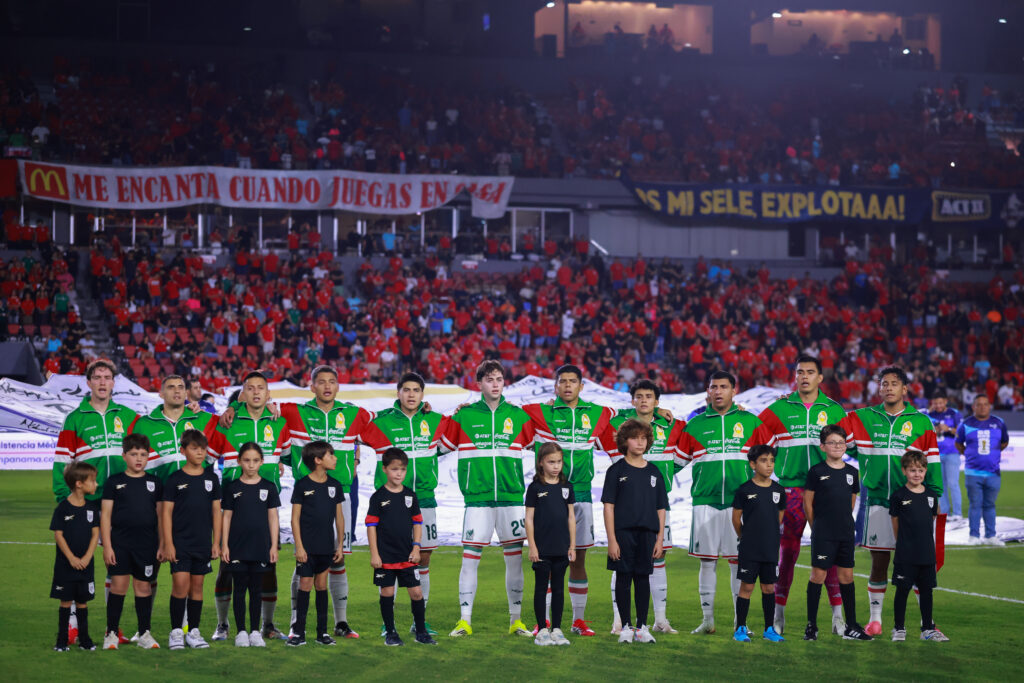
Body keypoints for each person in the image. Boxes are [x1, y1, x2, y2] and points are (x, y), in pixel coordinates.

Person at [839, 366, 941, 637]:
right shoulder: (861, 418)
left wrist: (934, 495)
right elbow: (832, 434)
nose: (888, 387)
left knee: (919, 564)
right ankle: (876, 620)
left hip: (914, 502)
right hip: (877, 502)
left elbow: (932, 461)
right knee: (879, 561)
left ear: (904, 389)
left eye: (894, 383)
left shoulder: (921, 422)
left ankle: (926, 622)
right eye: (884, 383)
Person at [437, 360, 536, 637]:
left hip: (511, 498)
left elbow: (543, 442)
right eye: (489, 379)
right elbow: (438, 447)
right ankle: (464, 620)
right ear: (479, 383)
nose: (495, 384)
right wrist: (435, 412)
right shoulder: (464, 416)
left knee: (514, 561)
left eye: (499, 379)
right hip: (477, 500)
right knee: (470, 560)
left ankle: (516, 621)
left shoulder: (517, 416)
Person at [522, 364, 616, 636]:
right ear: (555, 386)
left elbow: (626, 415)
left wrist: (660, 411)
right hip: (547, 496)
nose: (567, 386)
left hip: (582, 495)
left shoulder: (598, 413)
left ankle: (578, 620)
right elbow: (509, 411)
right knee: (549, 561)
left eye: (572, 381)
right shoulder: (540, 412)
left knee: (577, 560)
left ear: (581, 386)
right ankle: (547, 621)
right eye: (562, 381)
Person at [676, 371, 773, 635]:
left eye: (723, 387)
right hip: (704, 502)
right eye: (713, 386)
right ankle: (707, 621)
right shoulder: (694, 426)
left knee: (737, 562)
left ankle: (738, 622)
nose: (718, 391)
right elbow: (675, 463)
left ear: (734, 391)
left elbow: (768, 457)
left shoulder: (750, 422)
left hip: (740, 504)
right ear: (708, 391)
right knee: (707, 562)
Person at [757, 356, 849, 636]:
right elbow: (753, 433)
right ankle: (778, 615)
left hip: (828, 489)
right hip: (791, 490)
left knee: (831, 555)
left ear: (821, 378)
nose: (805, 376)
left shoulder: (834, 409)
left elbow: (851, 444)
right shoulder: (779, 409)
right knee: (787, 553)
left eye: (811, 372)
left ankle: (837, 617)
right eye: (800, 372)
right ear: (794, 377)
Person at [53, 359, 139, 646]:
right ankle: (74, 626)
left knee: (116, 563)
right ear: (88, 383)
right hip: (85, 503)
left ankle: (111, 628)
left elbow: (146, 449)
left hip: (123, 503)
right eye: (97, 377)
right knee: (79, 564)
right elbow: (62, 463)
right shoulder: (75, 418)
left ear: (114, 383)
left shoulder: (128, 416)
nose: (102, 382)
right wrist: (62, 499)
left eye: (107, 377)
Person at [207, 372, 291, 641]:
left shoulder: (279, 423)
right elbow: (207, 461)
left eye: (261, 389)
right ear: (242, 393)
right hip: (232, 509)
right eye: (250, 388)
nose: (256, 393)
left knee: (269, 566)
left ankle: (266, 624)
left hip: (266, 511)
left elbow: (291, 458)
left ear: (269, 394)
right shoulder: (227, 422)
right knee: (226, 567)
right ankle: (222, 624)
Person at [360, 371, 445, 636]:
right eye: (406, 390)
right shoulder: (381, 421)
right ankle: (389, 623)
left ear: (422, 394)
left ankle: (420, 620)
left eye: (416, 390)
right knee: (390, 558)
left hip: (425, 498)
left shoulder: (434, 420)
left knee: (423, 557)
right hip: (390, 503)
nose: (411, 395)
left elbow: (456, 429)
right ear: (398, 392)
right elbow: (351, 425)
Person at [608, 379, 686, 634]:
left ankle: (660, 620)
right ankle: (620, 620)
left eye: (649, 396)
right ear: (632, 400)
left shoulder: (670, 424)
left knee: (658, 556)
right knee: (621, 561)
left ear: (657, 401)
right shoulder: (620, 422)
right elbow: (597, 418)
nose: (644, 400)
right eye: (639, 396)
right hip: (627, 508)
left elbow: (687, 447)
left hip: (657, 505)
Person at [803, 424, 872, 641]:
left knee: (847, 576)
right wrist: (818, 527)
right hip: (823, 532)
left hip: (845, 532)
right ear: (823, 446)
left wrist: (842, 524)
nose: (837, 446)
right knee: (818, 575)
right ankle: (811, 626)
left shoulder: (852, 473)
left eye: (841, 442)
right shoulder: (816, 471)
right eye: (832, 442)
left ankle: (851, 625)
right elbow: (808, 503)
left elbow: (850, 504)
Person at [602, 419, 667, 644]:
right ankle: (626, 627)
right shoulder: (615, 470)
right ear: (624, 441)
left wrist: (660, 539)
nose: (640, 442)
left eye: (643, 438)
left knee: (642, 579)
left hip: (647, 534)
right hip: (622, 533)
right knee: (623, 577)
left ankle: (641, 627)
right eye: (634, 438)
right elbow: (608, 506)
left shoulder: (654, 472)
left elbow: (661, 508)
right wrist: (611, 539)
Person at [365, 447, 436, 646]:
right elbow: (371, 527)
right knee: (387, 593)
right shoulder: (378, 497)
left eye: (403, 469)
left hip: (407, 556)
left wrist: (416, 548)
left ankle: (421, 632)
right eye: (395, 469)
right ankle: (390, 633)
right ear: (384, 469)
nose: (399, 473)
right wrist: (374, 554)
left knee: (416, 593)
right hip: (385, 557)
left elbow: (417, 523)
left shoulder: (410, 495)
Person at [100, 433, 163, 650]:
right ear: (124, 455)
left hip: (147, 545)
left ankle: (144, 633)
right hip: (120, 544)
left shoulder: (154, 483)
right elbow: (106, 516)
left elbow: (161, 516)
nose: (139, 459)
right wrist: (106, 546)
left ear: (148, 457)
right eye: (134, 454)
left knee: (143, 587)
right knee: (118, 586)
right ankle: (111, 633)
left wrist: (163, 544)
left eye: (143, 455)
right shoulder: (114, 482)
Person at [160, 429, 221, 649]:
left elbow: (216, 512)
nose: (200, 453)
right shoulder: (175, 478)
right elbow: (166, 513)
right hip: (180, 543)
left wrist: (216, 543)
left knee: (197, 587)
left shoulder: (211, 478)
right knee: (180, 585)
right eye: (194, 448)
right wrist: (168, 544)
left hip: (202, 543)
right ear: (183, 450)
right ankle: (176, 631)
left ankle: (193, 632)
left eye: (203, 449)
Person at [220, 442, 281, 648]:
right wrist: (224, 545)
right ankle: (241, 632)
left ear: (262, 462)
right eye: (246, 460)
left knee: (256, 590)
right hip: (237, 546)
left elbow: (273, 518)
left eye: (255, 460)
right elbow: (226, 518)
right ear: (239, 461)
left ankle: (255, 631)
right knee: (239, 589)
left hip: (260, 546)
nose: (251, 465)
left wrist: (273, 546)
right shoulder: (232, 488)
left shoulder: (269, 487)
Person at [287, 441, 345, 646]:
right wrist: (299, 547)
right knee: (305, 585)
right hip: (307, 548)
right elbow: (294, 519)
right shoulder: (302, 485)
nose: (335, 458)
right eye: (331, 455)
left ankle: (322, 634)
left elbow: (339, 518)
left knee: (322, 586)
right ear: (318, 460)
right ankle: (299, 633)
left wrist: (339, 546)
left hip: (326, 546)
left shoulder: (335, 486)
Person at [889, 452, 949, 642]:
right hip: (906, 554)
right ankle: (898, 628)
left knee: (927, 592)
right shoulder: (898, 495)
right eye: (912, 470)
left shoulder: (931, 495)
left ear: (925, 471)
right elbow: (895, 523)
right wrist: (904, 544)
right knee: (902, 591)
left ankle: (927, 629)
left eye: (920, 470)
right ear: (904, 471)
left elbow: (931, 519)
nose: (917, 474)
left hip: (926, 554)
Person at [731, 445, 786, 643]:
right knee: (746, 588)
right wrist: (746, 537)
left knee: (769, 588)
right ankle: (740, 629)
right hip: (750, 548)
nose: (769, 465)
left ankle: (769, 629)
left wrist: (767, 535)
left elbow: (778, 517)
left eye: (772, 460)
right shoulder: (744, 490)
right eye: (764, 460)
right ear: (753, 464)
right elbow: (736, 519)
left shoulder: (779, 490)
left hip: (770, 548)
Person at [526, 443, 576, 647]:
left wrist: (572, 545)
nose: (556, 466)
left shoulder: (567, 487)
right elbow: (529, 519)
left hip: (561, 547)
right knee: (540, 588)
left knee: (558, 588)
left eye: (559, 462)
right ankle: (542, 630)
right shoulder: (535, 488)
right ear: (541, 463)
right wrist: (532, 546)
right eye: (551, 462)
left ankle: (557, 629)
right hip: (542, 548)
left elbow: (571, 517)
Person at [132, 374, 219, 481]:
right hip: (160, 493)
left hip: (198, 492)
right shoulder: (144, 424)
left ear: (185, 393)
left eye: (180, 387)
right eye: (171, 387)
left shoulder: (203, 418)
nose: (177, 391)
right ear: (161, 394)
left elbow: (231, 421)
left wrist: (233, 408)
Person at [51, 462, 100, 651]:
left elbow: (95, 534)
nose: (96, 485)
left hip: (86, 565)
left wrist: (87, 557)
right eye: (93, 481)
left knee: (82, 601)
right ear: (79, 484)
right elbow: (58, 534)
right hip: (66, 565)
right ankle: (62, 641)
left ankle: (85, 640)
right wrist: (71, 558)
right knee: (65, 602)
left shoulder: (92, 508)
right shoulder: (63, 508)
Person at [956, 395, 1009, 545]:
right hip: (973, 473)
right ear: (973, 407)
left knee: (990, 505)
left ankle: (991, 536)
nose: (982, 407)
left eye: (985, 404)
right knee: (975, 505)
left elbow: (1004, 442)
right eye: (979, 405)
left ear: (989, 406)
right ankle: (974, 536)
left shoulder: (999, 422)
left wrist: (994, 453)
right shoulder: (966, 424)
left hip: (993, 473)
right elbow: (958, 444)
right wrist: (970, 455)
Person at [926, 395, 963, 520]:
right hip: (935, 455)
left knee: (953, 484)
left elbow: (961, 432)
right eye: (936, 403)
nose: (938, 406)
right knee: (940, 486)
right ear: (932, 403)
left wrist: (949, 429)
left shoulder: (954, 413)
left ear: (946, 402)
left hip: (952, 453)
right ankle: (944, 513)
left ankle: (957, 513)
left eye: (941, 403)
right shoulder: (928, 414)